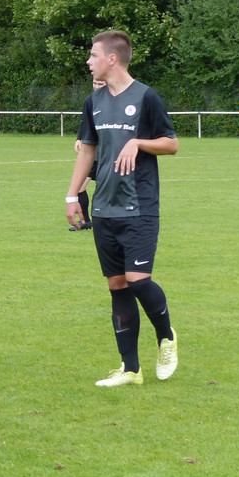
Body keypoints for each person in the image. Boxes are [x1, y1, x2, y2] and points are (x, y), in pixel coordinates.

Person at [65, 30, 179, 387]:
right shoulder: (93, 101)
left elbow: (171, 144)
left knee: (137, 280)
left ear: (112, 59)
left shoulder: (146, 97)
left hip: (139, 205)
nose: (89, 61)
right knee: (117, 285)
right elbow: (87, 149)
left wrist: (139, 143)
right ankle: (130, 369)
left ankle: (166, 337)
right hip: (104, 208)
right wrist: (72, 195)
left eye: (93, 55)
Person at [70, 80, 107, 232]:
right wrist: (79, 138)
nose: (96, 87)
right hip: (93, 156)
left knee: (106, 189)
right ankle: (85, 221)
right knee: (79, 187)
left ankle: (102, 221)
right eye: (95, 83)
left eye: (100, 84)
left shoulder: (114, 102)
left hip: (105, 155)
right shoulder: (91, 100)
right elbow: (85, 122)